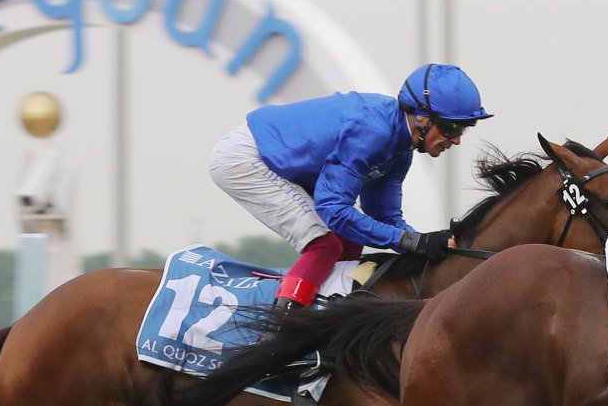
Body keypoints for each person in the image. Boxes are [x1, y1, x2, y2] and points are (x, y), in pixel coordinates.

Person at [207, 63, 491, 310]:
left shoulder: (401, 150)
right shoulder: (374, 132)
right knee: (324, 243)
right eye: (452, 128)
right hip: (246, 157)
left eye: (463, 129)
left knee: (352, 237)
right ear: (422, 118)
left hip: (282, 162)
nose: (456, 140)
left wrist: (425, 243)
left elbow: (384, 218)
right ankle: (276, 337)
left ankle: (328, 313)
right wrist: (414, 243)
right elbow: (334, 210)